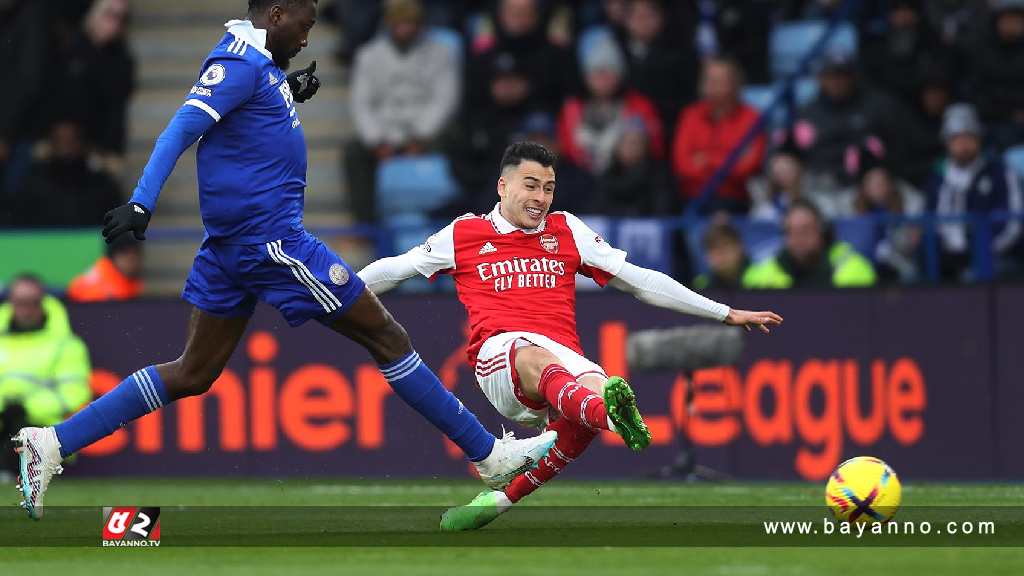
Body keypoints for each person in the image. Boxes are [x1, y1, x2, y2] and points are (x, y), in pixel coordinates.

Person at [12, 0, 557, 521]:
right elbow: (181, 127)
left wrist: (284, 91)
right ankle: (488, 454)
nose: (307, 33)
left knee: (192, 372)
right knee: (386, 337)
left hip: (232, 248)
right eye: (304, 21)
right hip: (271, 244)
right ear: (275, 14)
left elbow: (244, 118)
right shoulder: (240, 64)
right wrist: (141, 201)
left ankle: (52, 441)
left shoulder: (259, 68)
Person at [358, 142, 783, 531]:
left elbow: (640, 281)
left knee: (595, 388)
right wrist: (335, 296)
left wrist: (724, 312)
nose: (540, 198)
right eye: (531, 185)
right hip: (501, 357)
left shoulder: (567, 230)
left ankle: (504, 498)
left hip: (562, 360)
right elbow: (395, 270)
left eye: (549, 188)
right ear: (502, 186)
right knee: (543, 361)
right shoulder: (464, 234)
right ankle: (611, 416)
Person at [344, 0, 460, 223]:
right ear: (389, 24)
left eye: (410, 23)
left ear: (421, 25)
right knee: (354, 153)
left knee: (457, 143)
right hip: (385, 133)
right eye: (399, 24)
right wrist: (376, 140)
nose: (405, 29)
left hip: (428, 132)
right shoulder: (368, 55)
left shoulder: (440, 52)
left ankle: (453, 218)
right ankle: (366, 224)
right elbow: (362, 103)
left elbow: (444, 99)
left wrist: (421, 136)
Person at [1, 275, 91, 479]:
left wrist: (26, 408)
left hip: (44, 434)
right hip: (2, 424)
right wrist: (5, 408)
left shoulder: (67, 345)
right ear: (11, 303)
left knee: (22, 428)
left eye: (32, 302)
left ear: (42, 302)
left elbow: (75, 393)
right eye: (20, 302)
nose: (26, 309)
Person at [926, 103, 1023, 281]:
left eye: (968, 137)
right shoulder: (938, 176)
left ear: (978, 139)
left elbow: (1013, 222)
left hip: (995, 255)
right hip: (949, 257)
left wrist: (982, 250)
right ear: (947, 142)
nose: (963, 144)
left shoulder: (999, 172)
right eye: (956, 138)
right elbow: (931, 219)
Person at [557, 35, 663, 175]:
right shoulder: (572, 109)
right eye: (596, 72)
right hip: (581, 181)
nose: (602, 79)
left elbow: (655, 147)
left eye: (608, 71)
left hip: (629, 178)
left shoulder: (639, 106)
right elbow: (565, 150)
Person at [672, 56, 765, 214]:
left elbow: (747, 167)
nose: (711, 84)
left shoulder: (751, 118)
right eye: (708, 79)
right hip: (692, 197)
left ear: (735, 83)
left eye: (719, 79)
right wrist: (727, 160)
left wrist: (706, 160)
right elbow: (682, 165)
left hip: (734, 200)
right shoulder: (690, 115)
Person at [837, 145, 925, 284]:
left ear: (890, 184)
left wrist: (891, 249)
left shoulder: (908, 200)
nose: (878, 187)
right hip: (864, 267)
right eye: (872, 183)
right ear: (863, 186)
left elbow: (912, 242)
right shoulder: (849, 203)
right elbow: (850, 243)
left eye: (882, 182)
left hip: (900, 265)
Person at [743, 199, 877, 289]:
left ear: (821, 231)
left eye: (805, 230)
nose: (798, 238)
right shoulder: (761, 276)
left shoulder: (853, 268)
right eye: (791, 232)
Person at [11, 120, 123, 227]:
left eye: (71, 141)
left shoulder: (102, 186)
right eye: (60, 140)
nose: (66, 148)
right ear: (51, 144)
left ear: (82, 144)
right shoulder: (33, 185)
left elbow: (120, 228)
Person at [67, 234, 144, 302]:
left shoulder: (130, 280)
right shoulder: (104, 290)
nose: (132, 262)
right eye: (126, 256)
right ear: (113, 257)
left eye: (135, 255)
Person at [693, 221, 750, 290]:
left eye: (725, 245)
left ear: (740, 247)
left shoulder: (764, 279)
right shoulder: (700, 285)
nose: (720, 253)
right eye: (713, 248)